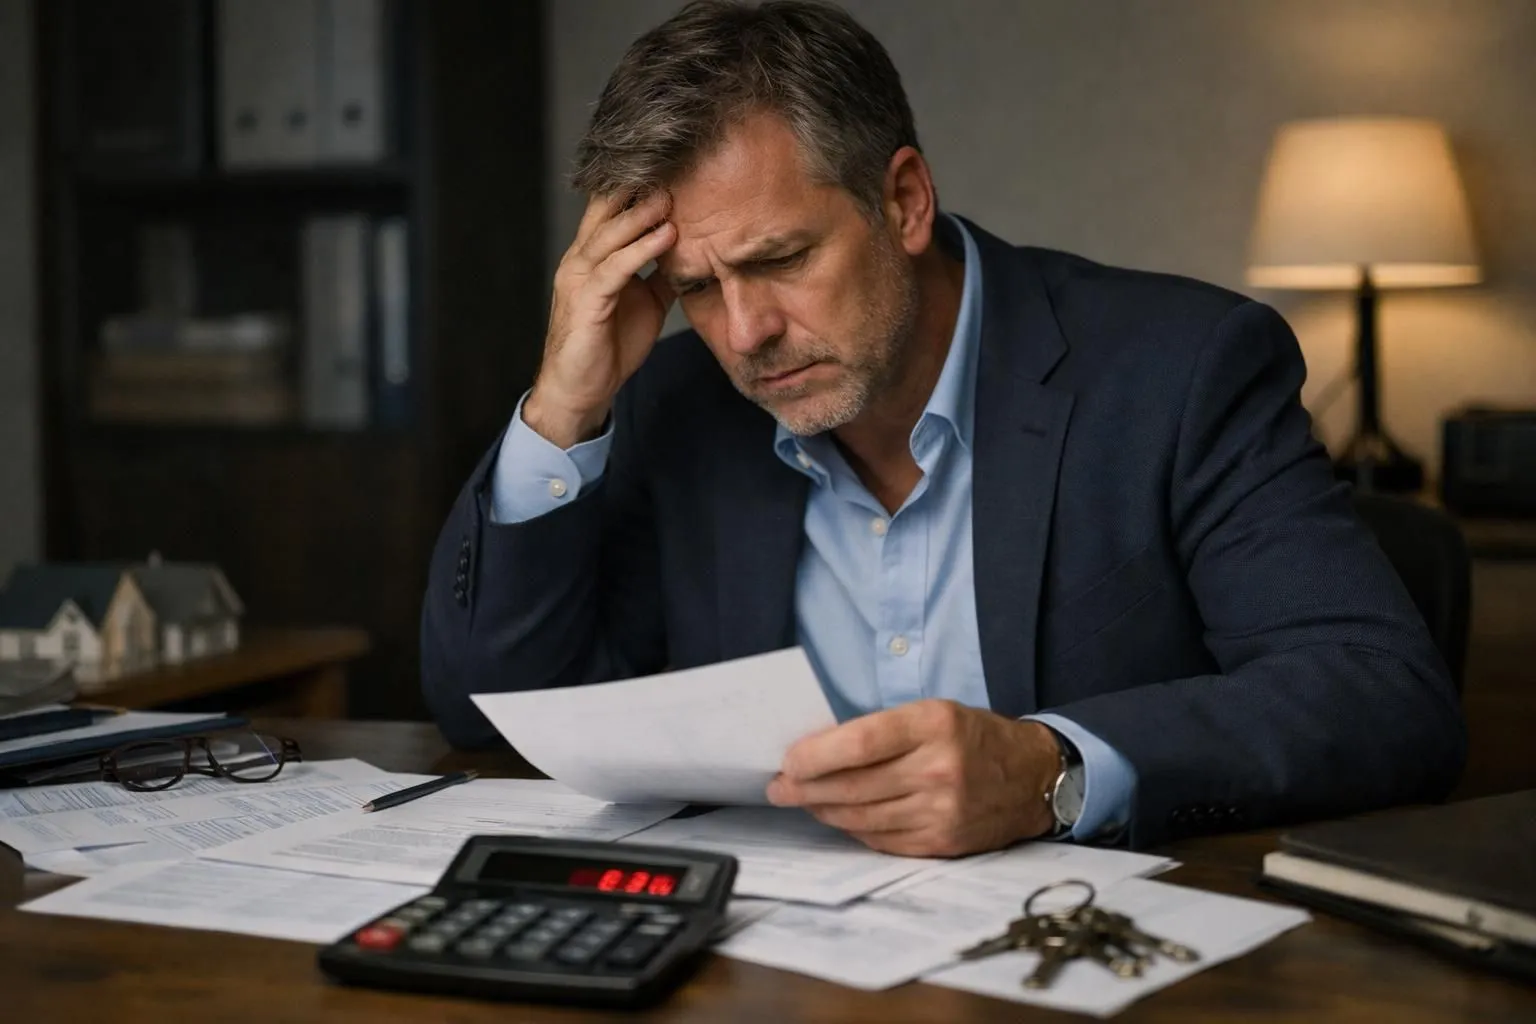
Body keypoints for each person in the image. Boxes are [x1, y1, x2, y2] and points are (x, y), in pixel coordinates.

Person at [421, 0, 1465, 855]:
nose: (746, 333)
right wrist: (564, 406)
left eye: (782, 259)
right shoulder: (670, 395)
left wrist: (1052, 769)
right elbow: (489, 712)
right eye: (696, 285)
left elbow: (1382, 697)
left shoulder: (1182, 370)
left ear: (905, 200)